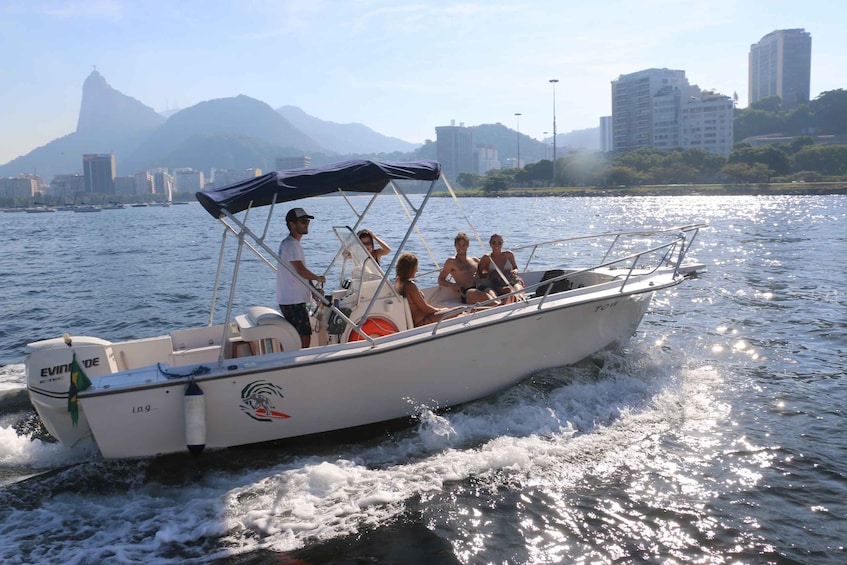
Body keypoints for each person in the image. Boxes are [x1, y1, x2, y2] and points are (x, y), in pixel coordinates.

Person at [277, 207, 327, 348]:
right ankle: (300, 361)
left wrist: (313, 291)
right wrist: (318, 278)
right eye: (303, 221)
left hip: (291, 299)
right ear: (292, 225)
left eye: (307, 221)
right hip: (293, 300)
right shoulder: (292, 245)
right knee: (304, 334)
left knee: (299, 333)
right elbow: (301, 270)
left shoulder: (289, 244)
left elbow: (300, 273)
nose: (306, 224)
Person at [438, 232, 499, 305]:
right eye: (459, 245)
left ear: (468, 245)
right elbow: (440, 280)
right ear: (455, 245)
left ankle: (500, 304)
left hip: (480, 287)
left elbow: (485, 272)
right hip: (467, 292)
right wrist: (452, 285)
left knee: (492, 293)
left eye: (464, 245)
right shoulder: (451, 262)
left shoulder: (474, 260)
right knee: (484, 296)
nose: (461, 248)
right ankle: (500, 305)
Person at [394, 253, 453, 327]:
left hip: (416, 320)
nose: (417, 270)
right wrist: (440, 310)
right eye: (416, 267)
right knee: (460, 310)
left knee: (450, 310)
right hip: (423, 321)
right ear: (410, 268)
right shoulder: (410, 286)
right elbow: (426, 309)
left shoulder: (398, 282)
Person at [478, 233, 524, 304]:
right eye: (494, 242)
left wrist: (514, 271)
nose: (497, 245)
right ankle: (507, 301)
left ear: (502, 244)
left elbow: (515, 267)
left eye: (499, 243)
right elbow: (480, 273)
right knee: (508, 290)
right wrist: (488, 274)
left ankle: (520, 300)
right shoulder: (487, 258)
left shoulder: (509, 255)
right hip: (497, 283)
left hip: (511, 279)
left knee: (517, 287)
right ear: (490, 244)